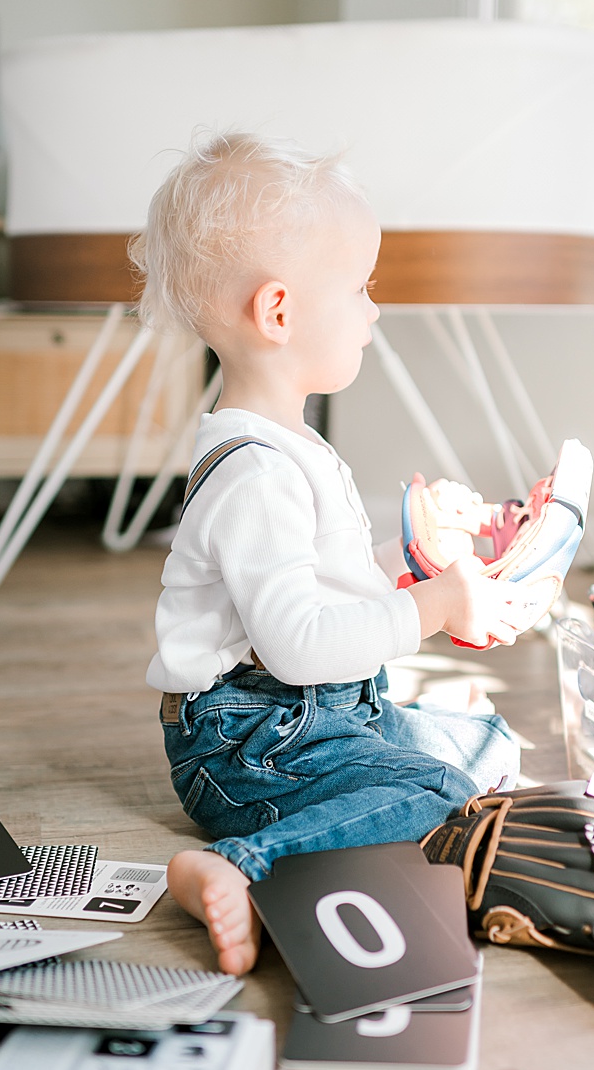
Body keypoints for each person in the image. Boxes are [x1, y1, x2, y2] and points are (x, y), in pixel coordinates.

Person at [136, 134, 524, 977]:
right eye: (359, 288)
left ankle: (367, 797)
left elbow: (320, 586)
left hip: (319, 716)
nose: (374, 310)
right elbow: (299, 644)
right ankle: (241, 865)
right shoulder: (255, 478)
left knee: (489, 744)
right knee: (442, 795)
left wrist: (414, 553)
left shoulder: (289, 447)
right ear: (279, 312)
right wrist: (433, 607)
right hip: (248, 745)